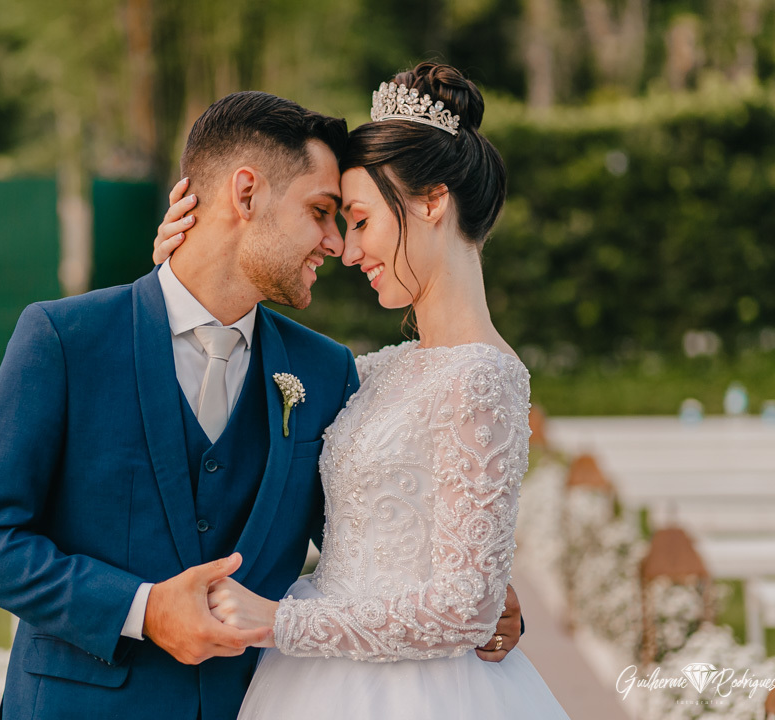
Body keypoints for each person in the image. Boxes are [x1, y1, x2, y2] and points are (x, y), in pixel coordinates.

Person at [0, 88, 524, 720]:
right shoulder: (65, 340)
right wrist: (141, 609)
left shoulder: (326, 371)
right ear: (246, 194)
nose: (337, 244)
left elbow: (368, 527)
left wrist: (474, 592)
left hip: (259, 701)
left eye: (349, 220)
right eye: (322, 211)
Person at [153, 62, 569, 719]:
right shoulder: (373, 371)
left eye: (359, 220)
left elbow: (466, 607)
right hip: (317, 678)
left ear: (432, 202)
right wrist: (183, 278)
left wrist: (277, 623)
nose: (346, 250)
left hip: (415, 693)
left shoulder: (484, 377)